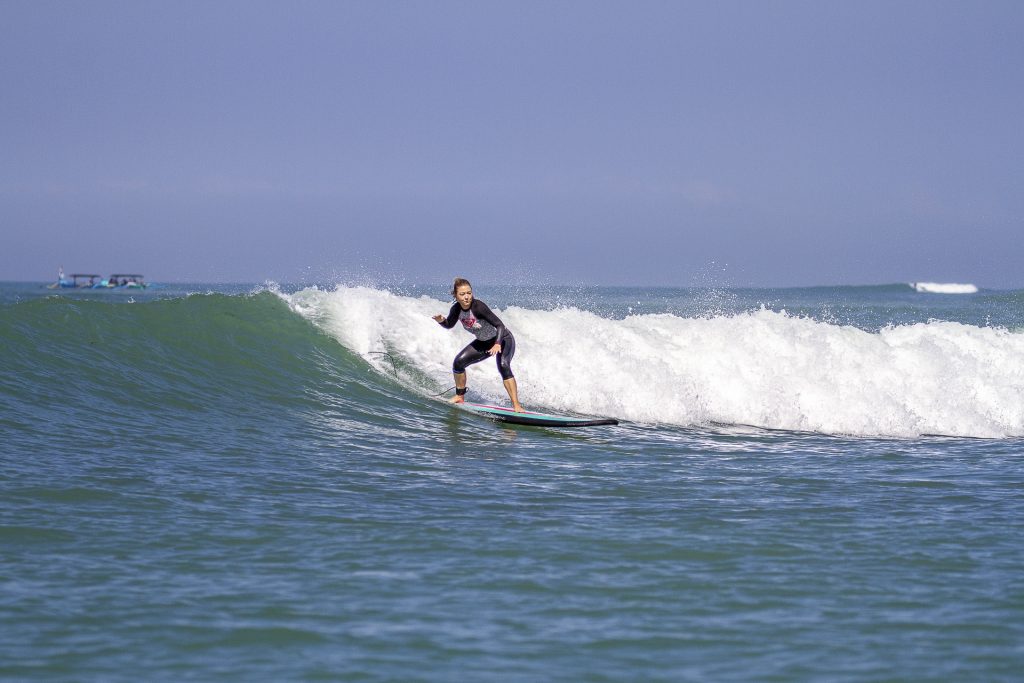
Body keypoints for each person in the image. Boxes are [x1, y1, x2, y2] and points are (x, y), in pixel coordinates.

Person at [433, 277, 524, 412]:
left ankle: (517, 405)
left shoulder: (478, 307)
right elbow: (450, 324)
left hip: (503, 339)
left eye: (469, 293)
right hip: (484, 343)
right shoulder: (456, 309)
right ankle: (460, 396)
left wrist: (498, 343)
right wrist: (441, 321)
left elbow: (500, 325)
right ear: (456, 296)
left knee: (504, 366)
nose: (466, 297)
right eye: (462, 294)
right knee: (458, 363)